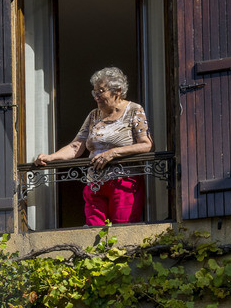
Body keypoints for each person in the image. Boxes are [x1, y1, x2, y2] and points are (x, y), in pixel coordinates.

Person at [34, 66, 152, 225]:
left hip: (124, 182)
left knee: (123, 229)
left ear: (117, 90)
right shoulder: (93, 115)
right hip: (95, 182)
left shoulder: (134, 110)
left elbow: (146, 145)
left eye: (100, 91)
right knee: (94, 229)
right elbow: (76, 146)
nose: (96, 97)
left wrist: (113, 153)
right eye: (94, 92)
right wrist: (51, 157)